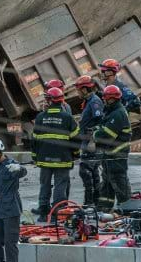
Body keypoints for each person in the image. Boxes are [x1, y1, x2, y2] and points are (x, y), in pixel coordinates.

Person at [31, 87, 80, 222]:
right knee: (60, 186)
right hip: (63, 160)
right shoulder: (67, 118)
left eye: (46, 98)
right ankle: (56, 214)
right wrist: (76, 154)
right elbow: (76, 139)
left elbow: (34, 140)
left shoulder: (40, 118)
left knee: (44, 185)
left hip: (44, 161)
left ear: (50, 100)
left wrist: (35, 157)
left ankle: (43, 213)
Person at [0, 137, 27, 262]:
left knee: (10, 244)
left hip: (12, 210)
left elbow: (23, 172)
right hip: (1, 210)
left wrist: (19, 168)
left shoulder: (11, 165)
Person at [94, 85, 132, 212]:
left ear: (111, 99)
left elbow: (106, 136)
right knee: (107, 184)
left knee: (120, 184)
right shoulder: (112, 112)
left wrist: (95, 134)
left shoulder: (118, 114)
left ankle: (127, 210)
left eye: (106, 98)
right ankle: (104, 208)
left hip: (116, 156)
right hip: (110, 156)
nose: (104, 101)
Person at [75, 75, 103, 206]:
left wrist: (92, 140)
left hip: (90, 143)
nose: (78, 92)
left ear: (85, 89)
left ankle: (89, 203)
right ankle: (95, 202)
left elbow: (99, 121)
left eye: (79, 90)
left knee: (86, 172)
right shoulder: (89, 101)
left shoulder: (94, 102)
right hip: (87, 141)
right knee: (93, 173)